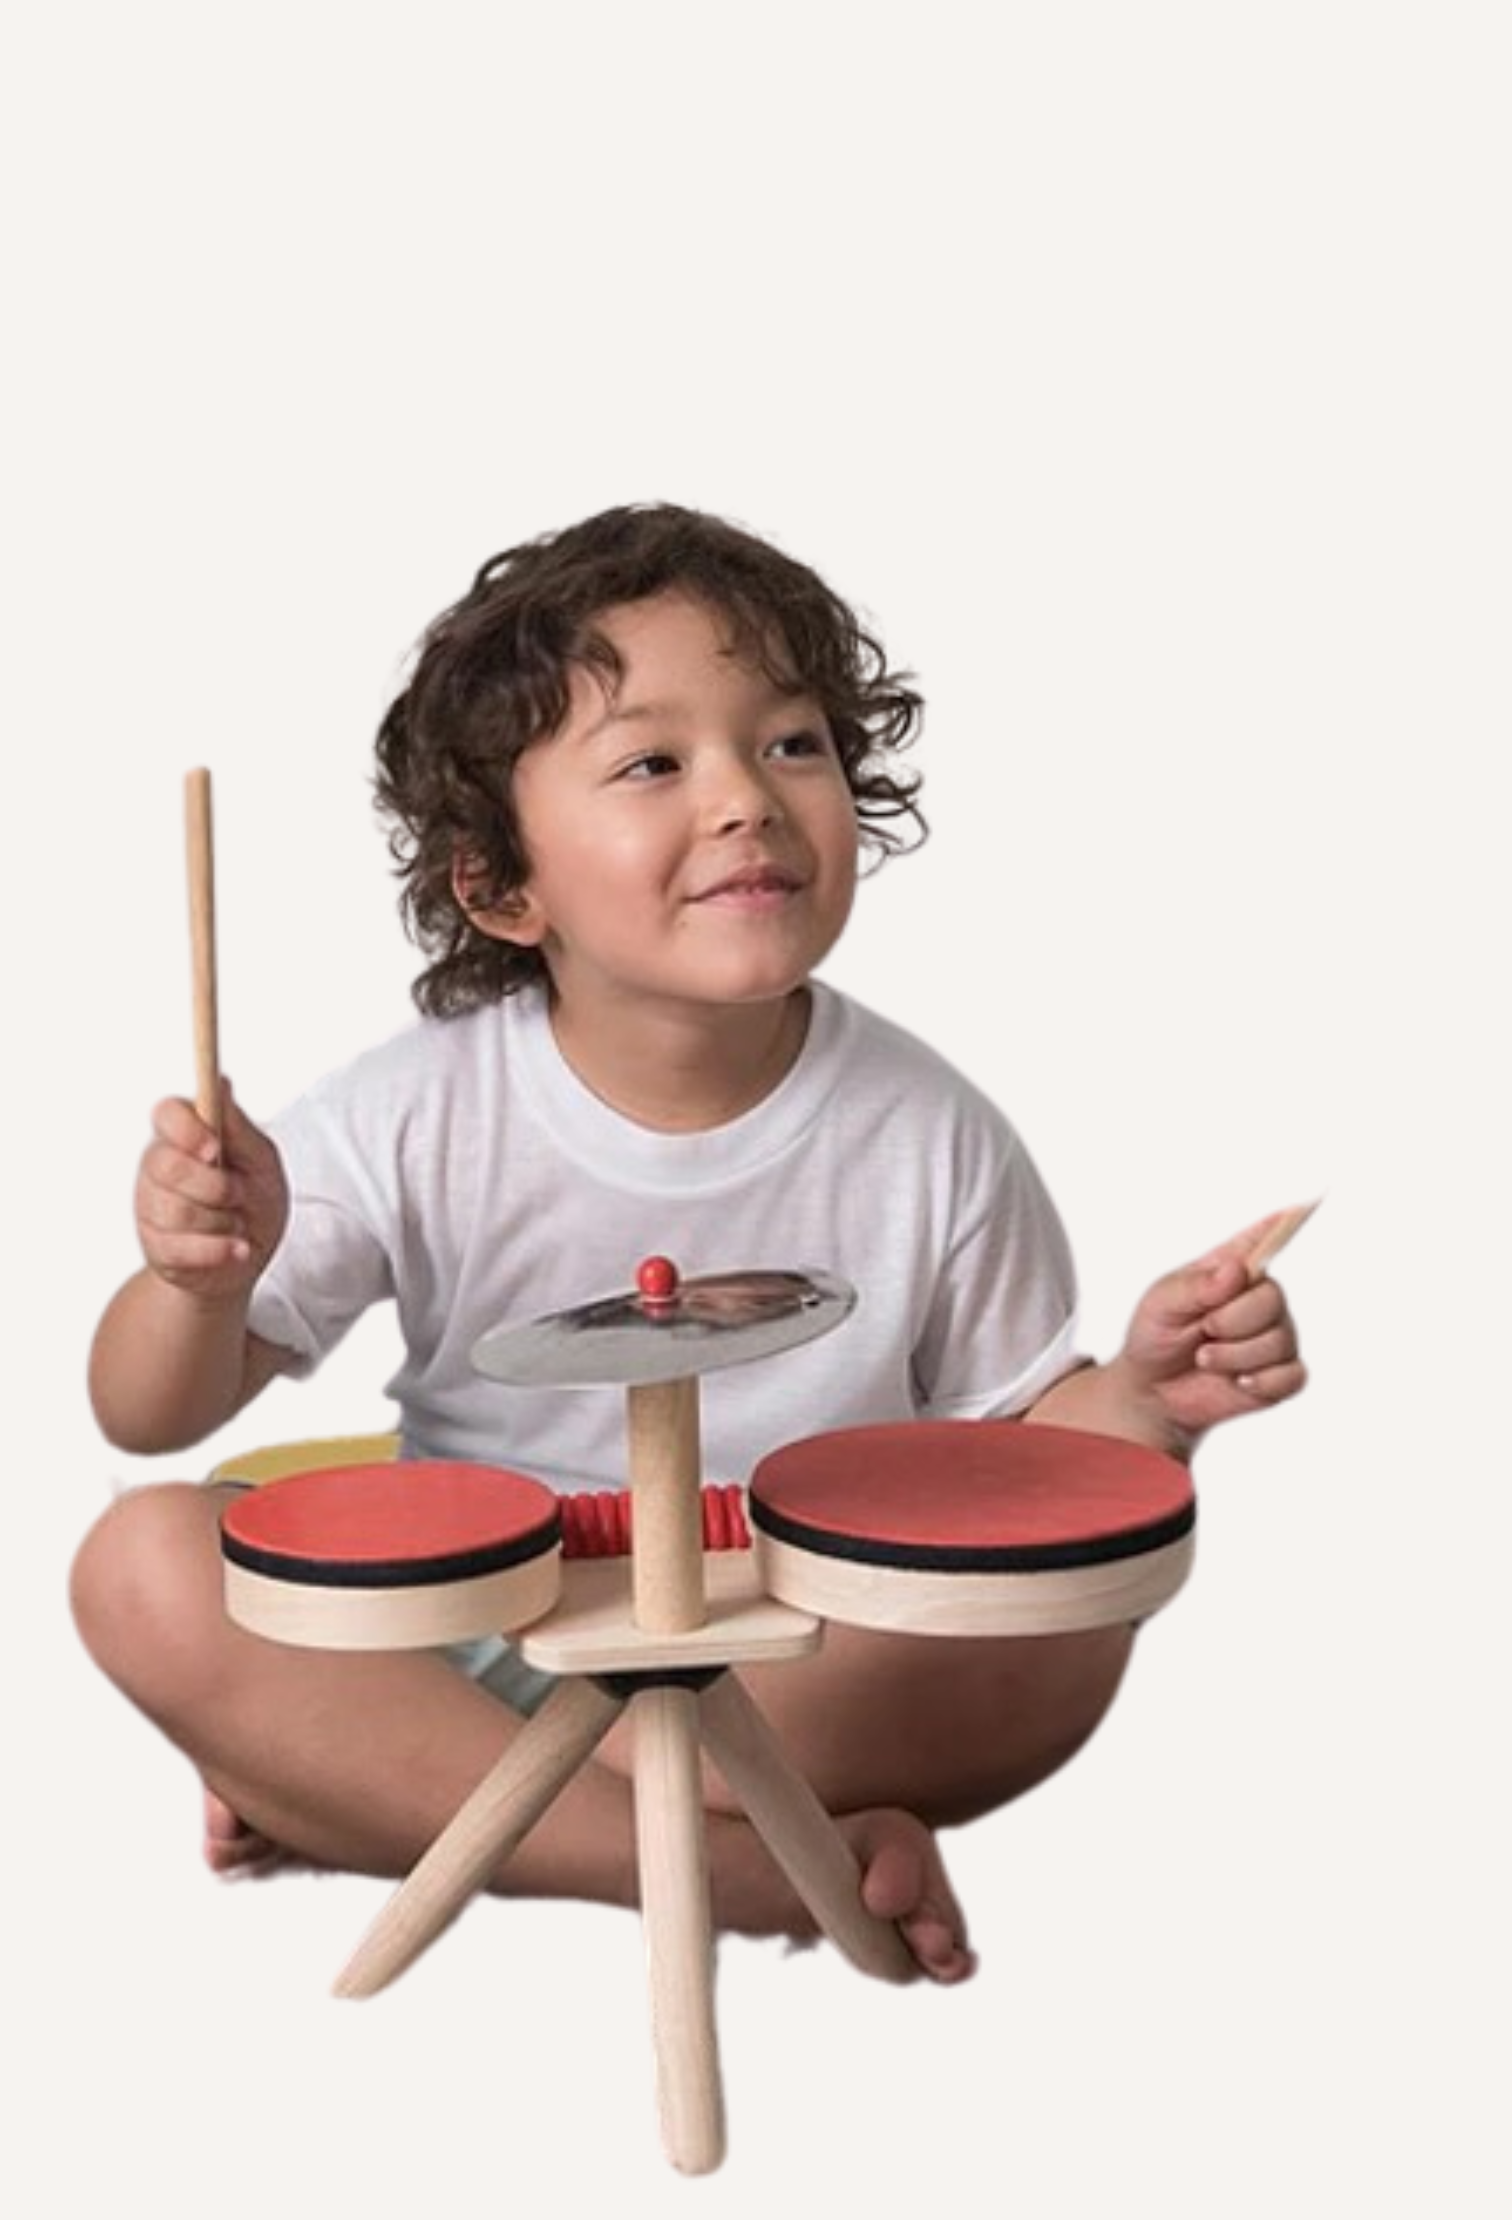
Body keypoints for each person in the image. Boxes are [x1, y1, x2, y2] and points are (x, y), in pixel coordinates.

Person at [73, 503, 1304, 1983]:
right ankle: (753, 1874)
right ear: (500, 886)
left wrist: (1157, 1404)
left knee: (1054, 1621)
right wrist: (191, 1284)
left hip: (806, 1663)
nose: (746, 800)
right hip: (494, 1635)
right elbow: (147, 1414)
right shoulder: (415, 1108)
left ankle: (387, 1793)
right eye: (655, 762)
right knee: (141, 1564)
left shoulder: (928, 1127)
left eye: (791, 743)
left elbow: (1029, 1462)